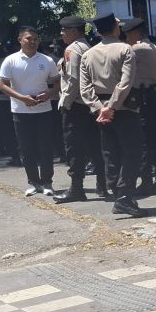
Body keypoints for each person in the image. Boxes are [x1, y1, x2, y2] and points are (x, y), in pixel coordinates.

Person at [80, 13, 144, 217]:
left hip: (101, 112)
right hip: (123, 108)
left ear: (98, 31)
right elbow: (125, 83)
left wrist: (100, 108)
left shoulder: (88, 54)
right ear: (116, 29)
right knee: (132, 152)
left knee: (111, 153)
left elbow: (85, 88)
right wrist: (112, 106)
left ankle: (118, 195)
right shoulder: (125, 49)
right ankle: (124, 196)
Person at [0, 25, 60, 196]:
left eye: (35, 39)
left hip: (43, 110)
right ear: (20, 40)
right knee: (27, 148)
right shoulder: (10, 60)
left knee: (46, 147)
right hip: (20, 110)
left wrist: (48, 94)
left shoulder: (46, 60)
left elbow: (57, 82)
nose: (32, 42)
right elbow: (2, 85)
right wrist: (22, 98)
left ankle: (47, 182)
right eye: (28, 39)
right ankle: (33, 182)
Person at [52, 15, 106, 203]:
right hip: (91, 104)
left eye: (64, 30)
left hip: (75, 105)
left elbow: (73, 79)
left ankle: (77, 188)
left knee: (74, 148)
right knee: (95, 146)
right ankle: (102, 184)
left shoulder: (72, 49)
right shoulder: (89, 47)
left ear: (74, 31)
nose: (62, 34)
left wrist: (64, 102)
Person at [122, 18, 156, 195]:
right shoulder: (155, 48)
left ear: (136, 33)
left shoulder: (137, 49)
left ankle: (147, 180)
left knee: (142, 141)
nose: (126, 38)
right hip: (155, 96)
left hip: (143, 98)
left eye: (128, 35)